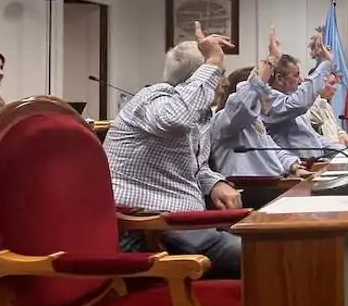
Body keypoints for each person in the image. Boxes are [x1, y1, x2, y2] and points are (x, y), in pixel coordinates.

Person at [103, 23, 244, 278]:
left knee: (265, 244)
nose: (222, 82)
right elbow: (174, 120)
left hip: (185, 224)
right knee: (260, 254)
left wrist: (214, 184)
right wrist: (211, 61)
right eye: (218, 74)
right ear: (197, 78)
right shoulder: (154, 97)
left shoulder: (199, 116)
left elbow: (195, 168)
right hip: (148, 228)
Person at [206, 37, 313, 183]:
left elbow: (273, 150)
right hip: (251, 188)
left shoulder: (255, 121)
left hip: (274, 183)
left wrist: (294, 166)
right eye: (262, 89)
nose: (267, 92)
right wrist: (269, 64)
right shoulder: (223, 121)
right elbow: (242, 105)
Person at [263, 28, 339, 158]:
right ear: (280, 78)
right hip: (293, 170)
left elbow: (313, 140)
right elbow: (300, 103)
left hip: (314, 165)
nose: (300, 80)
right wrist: (326, 63)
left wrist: (345, 152)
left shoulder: (291, 100)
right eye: (296, 75)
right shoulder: (268, 100)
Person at [308, 72, 348, 147]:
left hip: (337, 151)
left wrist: (343, 134)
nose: (335, 87)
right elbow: (319, 120)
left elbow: (335, 128)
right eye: (331, 83)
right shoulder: (309, 105)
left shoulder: (327, 105)